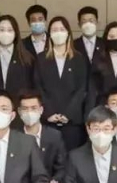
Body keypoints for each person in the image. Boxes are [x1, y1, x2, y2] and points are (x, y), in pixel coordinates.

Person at [17, 91, 68, 183]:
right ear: (19, 112)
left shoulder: (54, 135)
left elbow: (62, 165)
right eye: (25, 109)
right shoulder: (14, 136)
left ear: (41, 110)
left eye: (33, 108)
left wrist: (54, 181)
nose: (29, 112)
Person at [34, 16, 88, 151]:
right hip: (48, 121)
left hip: (72, 122)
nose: (58, 33)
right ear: (49, 34)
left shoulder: (78, 58)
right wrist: (48, 113)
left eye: (62, 29)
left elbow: (82, 89)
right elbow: (38, 87)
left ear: (68, 33)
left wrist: (68, 114)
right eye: (54, 30)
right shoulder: (41, 59)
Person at [0, 15, 36, 100]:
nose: (5, 33)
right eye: (2, 30)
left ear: (16, 33)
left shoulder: (27, 58)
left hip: (19, 104)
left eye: (10, 30)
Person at [74, 5, 104, 70]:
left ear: (97, 23)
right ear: (79, 25)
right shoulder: (73, 45)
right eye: (84, 21)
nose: (88, 24)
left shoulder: (105, 44)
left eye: (91, 21)